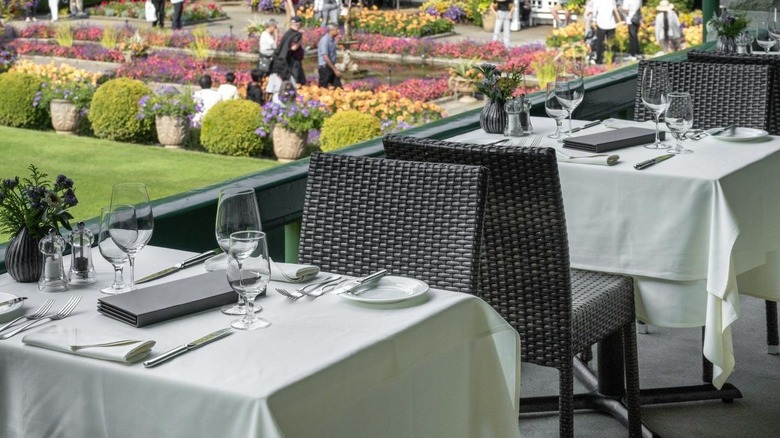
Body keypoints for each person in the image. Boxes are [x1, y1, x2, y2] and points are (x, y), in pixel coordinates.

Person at [268, 16, 305, 104]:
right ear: (299, 24)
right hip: (291, 64)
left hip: (281, 62)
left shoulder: (287, 33)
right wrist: (300, 41)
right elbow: (293, 47)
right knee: (294, 84)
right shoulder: (297, 35)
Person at [592, 0, 619, 64]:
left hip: (601, 23)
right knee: (611, 43)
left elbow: (594, 11)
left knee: (600, 43)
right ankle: (611, 59)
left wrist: (594, 20)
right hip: (611, 23)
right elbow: (615, 10)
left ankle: (599, 60)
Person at [317, 24, 342, 88]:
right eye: (336, 29)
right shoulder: (325, 40)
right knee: (323, 88)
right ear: (331, 30)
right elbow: (325, 57)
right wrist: (335, 70)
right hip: (325, 68)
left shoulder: (332, 39)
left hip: (331, 67)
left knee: (338, 88)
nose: (338, 31)